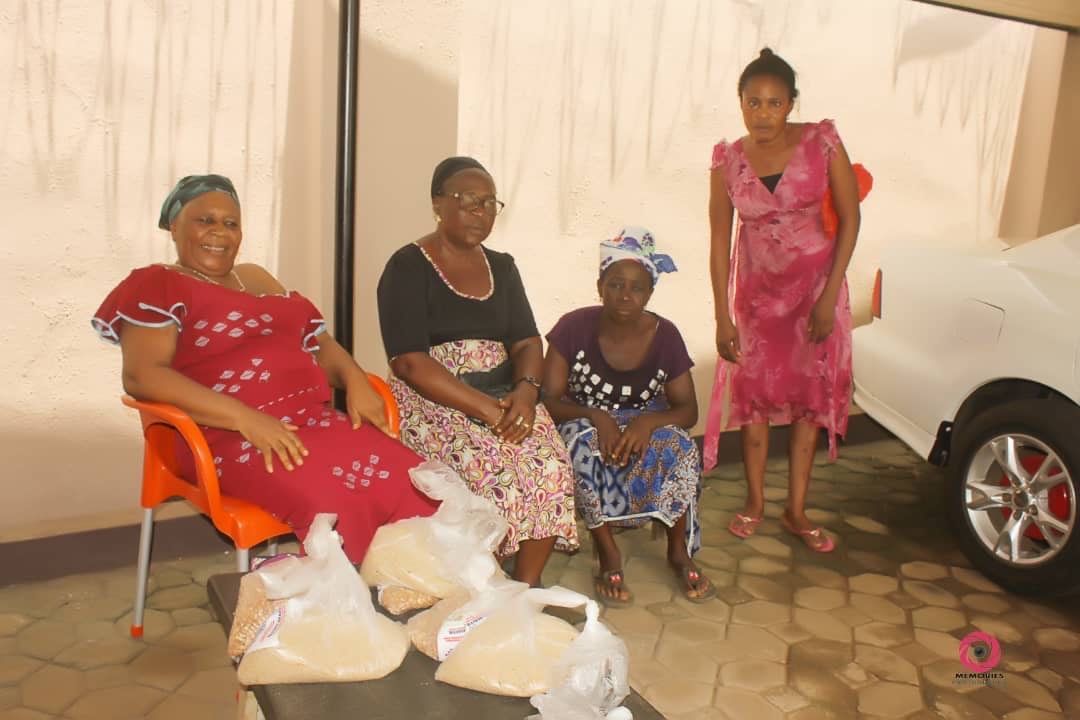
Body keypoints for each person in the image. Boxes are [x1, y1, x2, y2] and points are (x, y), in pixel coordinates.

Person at [92, 174, 438, 562]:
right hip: (219, 435)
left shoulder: (256, 276)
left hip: (311, 421)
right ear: (174, 226)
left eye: (231, 223)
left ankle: (410, 591)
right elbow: (142, 376)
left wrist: (354, 378)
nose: (219, 232)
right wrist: (246, 419)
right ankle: (345, 607)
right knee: (333, 502)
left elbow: (318, 342)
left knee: (419, 479)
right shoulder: (157, 283)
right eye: (204, 220)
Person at [376, 156, 578, 587]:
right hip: (436, 398)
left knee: (550, 464)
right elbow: (409, 361)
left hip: (506, 393)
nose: (480, 212)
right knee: (492, 470)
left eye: (489, 203)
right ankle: (480, 582)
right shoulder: (407, 267)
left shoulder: (502, 267)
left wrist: (526, 392)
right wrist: (484, 410)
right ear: (437, 204)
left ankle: (526, 585)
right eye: (468, 200)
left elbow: (526, 340)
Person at [703, 48, 861, 553]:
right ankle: (755, 503)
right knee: (753, 406)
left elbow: (851, 220)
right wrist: (721, 317)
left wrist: (830, 295)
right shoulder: (727, 160)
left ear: (791, 103)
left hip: (816, 296)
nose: (764, 113)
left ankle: (796, 510)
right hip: (757, 302)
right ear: (741, 104)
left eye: (774, 103)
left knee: (808, 405)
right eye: (754, 103)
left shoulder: (822, 142)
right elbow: (718, 241)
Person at [542, 227, 714, 605]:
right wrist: (594, 415)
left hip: (643, 420)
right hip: (582, 420)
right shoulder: (573, 327)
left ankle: (677, 551)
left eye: (637, 287)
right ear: (599, 285)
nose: (625, 294)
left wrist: (648, 421)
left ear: (650, 293)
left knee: (681, 448)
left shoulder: (665, 334)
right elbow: (547, 399)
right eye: (616, 283)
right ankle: (608, 552)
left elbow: (688, 410)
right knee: (584, 449)